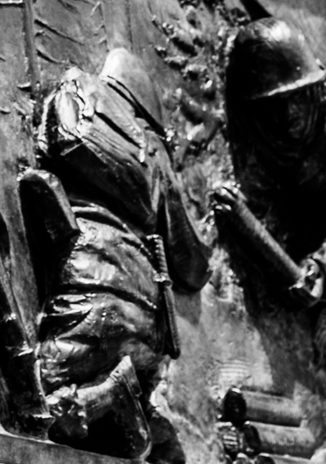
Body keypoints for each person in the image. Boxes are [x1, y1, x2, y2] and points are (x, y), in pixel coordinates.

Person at [213, 17, 326, 464]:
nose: (286, 118)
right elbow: (256, 197)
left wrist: (319, 274)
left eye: (293, 102)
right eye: (271, 108)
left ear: (315, 89)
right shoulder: (252, 124)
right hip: (286, 247)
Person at [20, 47, 212, 460]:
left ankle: (117, 396)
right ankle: (136, 411)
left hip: (92, 289)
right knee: (63, 407)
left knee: (45, 397)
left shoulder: (74, 91)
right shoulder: (152, 152)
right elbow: (192, 265)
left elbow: (66, 140)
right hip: (145, 315)